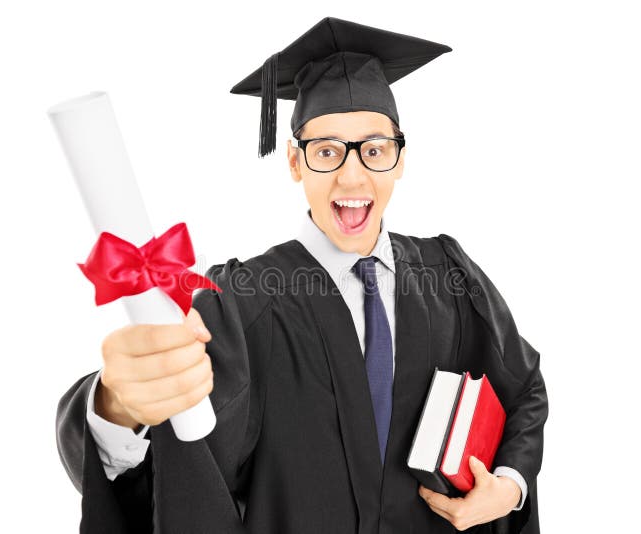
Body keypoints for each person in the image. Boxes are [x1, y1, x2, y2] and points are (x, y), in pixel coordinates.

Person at [56, 17, 548, 534]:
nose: (352, 175)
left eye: (375, 150)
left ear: (400, 160)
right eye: (327, 151)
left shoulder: (447, 275)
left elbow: (524, 386)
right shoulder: (242, 302)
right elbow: (177, 465)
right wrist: (115, 407)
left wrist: (511, 485)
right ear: (295, 161)